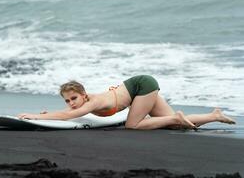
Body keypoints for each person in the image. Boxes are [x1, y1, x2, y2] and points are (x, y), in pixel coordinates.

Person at [18, 75, 235, 130]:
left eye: (74, 98)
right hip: (141, 88)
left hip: (142, 86)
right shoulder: (83, 102)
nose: (71, 103)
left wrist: (36, 116)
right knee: (175, 127)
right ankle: (214, 115)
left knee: (132, 126)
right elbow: (67, 112)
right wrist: (47, 115)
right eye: (68, 100)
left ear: (84, 94)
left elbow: (67, 116)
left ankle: (175, 116)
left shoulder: (91, 103)